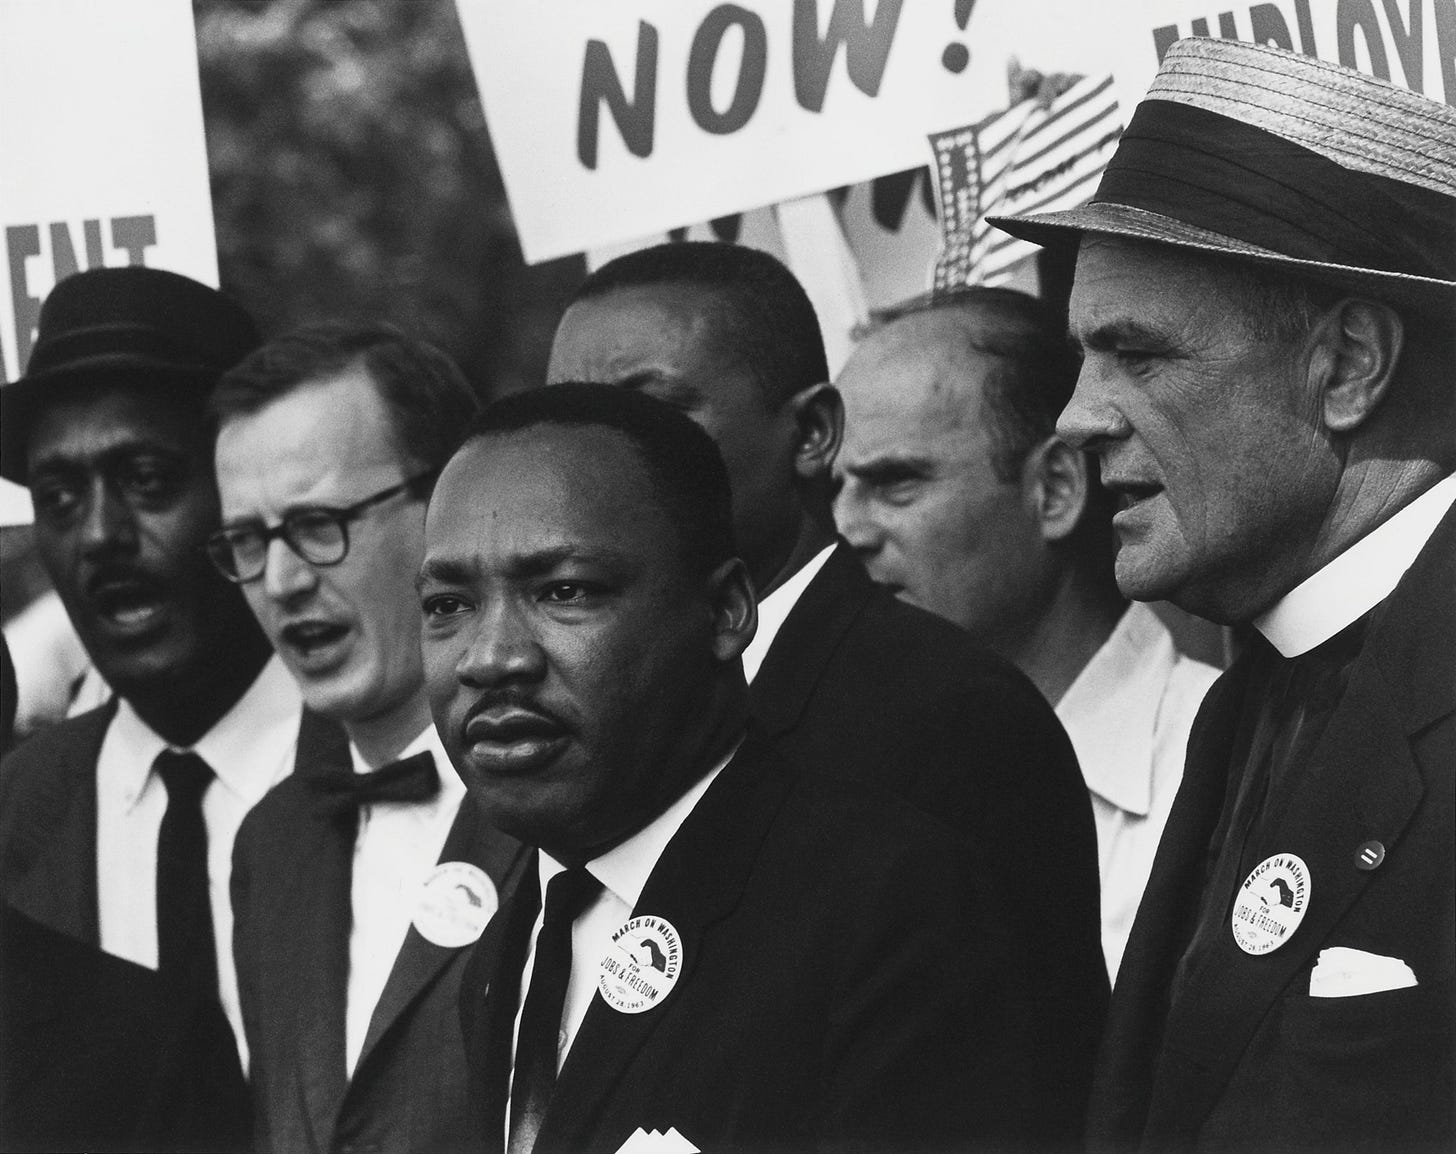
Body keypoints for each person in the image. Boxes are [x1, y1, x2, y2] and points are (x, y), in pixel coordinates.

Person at [993, 36, 1456, 1151]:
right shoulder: (1249, 695)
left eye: (1138, 356)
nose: (1076, 415)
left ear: (1347, 364)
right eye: (1080, 358)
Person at [546, 241, 1107, 1147]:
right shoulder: (593, 722)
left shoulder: (950, 713)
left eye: (651, 414)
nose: (591, 462)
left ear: (811, 434)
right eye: (568, 419)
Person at [423, 383, 992, 1151]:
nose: (491, 658)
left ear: (726, 610)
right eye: (447, 605)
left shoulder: (891, 907)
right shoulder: (514, 936)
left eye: (564, 591)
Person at [0, 266, 310, 1152]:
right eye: (58, 497)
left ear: (244, 495)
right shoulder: (21, 810)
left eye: (145, 477)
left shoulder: (397, 767)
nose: (99, 535)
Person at [835, 286, 1220, 979]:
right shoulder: (834, 780)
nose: (847, 529)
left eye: (894, 482)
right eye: (832, 491)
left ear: (1055, 489)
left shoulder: (1227, 761)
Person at [210, 323, 523, 1153]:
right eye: (247, 541)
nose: (280, 582)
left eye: (319, 523)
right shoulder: (271, 846)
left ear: (451, 499)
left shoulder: (575, 803)